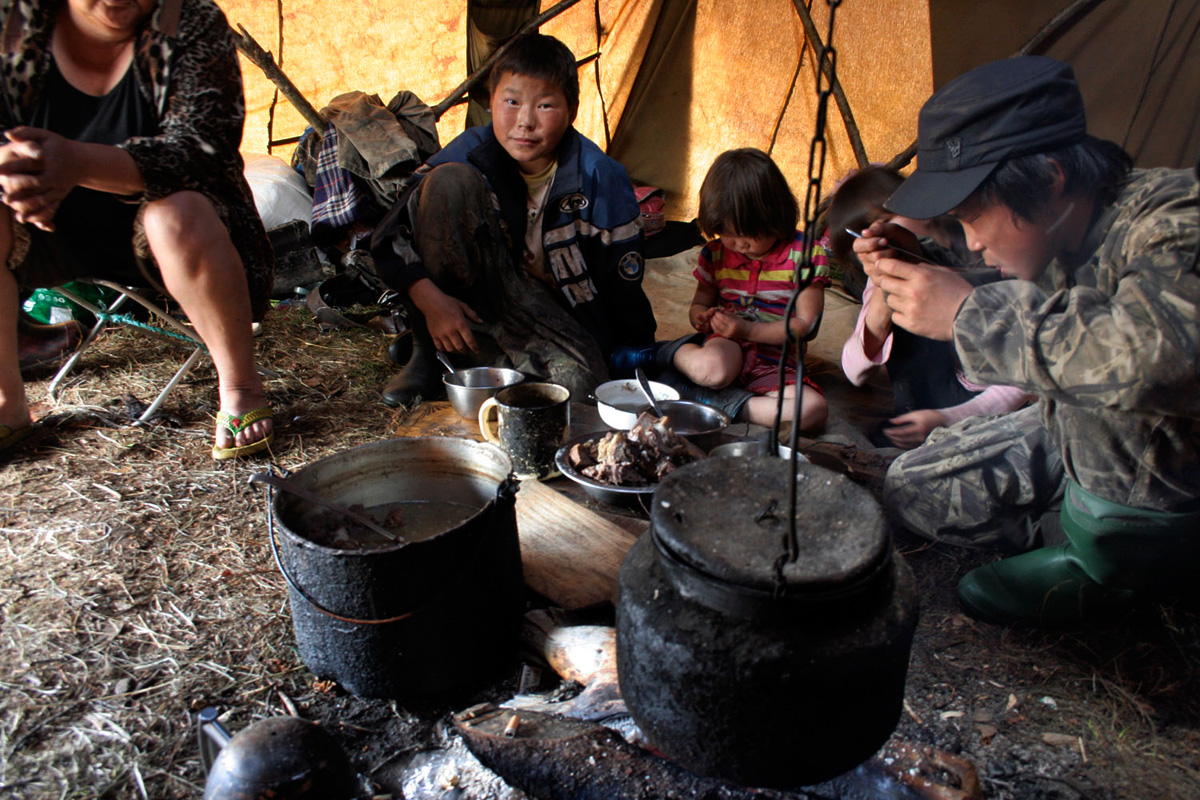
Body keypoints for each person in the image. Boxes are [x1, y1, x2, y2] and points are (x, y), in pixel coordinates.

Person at [854, 56, 1200, 627]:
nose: (971, 241)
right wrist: (917, 259)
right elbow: (1007, 271)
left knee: (1099, 383)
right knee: (910, 487)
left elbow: (1154, 358)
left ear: (1049, 178)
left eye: (969, 216)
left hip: (1162, 459)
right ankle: (1067, 522)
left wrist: (969, 316)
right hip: (1073, 433)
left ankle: (1112, 565)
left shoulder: (1174, 220)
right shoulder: (1062, 224)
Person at [0, 0, 275, 460]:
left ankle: (241, 388)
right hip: (47, 226)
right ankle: (8, 404)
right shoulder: (15, 20)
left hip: (174, 237)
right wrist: (15, 173)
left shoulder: (187, 21)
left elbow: (204, 152)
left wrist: (76, 162)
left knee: (177, 210)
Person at [370, 33, 656, 407]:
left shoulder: (599, 178)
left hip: (549, 311)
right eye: (512, 101)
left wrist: (637, 360)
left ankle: (468, 359)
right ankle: (427, 350)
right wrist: (430, 302)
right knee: (448, 182)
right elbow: (389, 235)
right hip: (477, 290)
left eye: (546, 106)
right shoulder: (472, 153)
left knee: (578, 386)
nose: (525, 121)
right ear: (491, 101)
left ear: (572, 109)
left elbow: (624, 289)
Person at [831, 166, 1032, 449]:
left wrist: (950, 419)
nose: (881, 237)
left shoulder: (990, 253)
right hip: (927, 406)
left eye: (887, 221)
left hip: (986, 407)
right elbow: (854, 371)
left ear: (918, 204)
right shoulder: (888, 277)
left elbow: (1026, 375)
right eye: (864, 238)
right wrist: (882, 299)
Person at [662, 148, 828, 430]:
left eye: (750, 235)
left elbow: (806, 324)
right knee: (713, 369)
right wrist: (701, 317)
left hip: (775, 364)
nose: (740, 244)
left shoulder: (805, 255)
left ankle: (727, 403)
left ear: (775, 219)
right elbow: (699, 304)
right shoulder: (715, 254)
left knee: (813, 410)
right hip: (726, 350)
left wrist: (749, 330)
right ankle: (662, 354)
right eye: (728, 234)